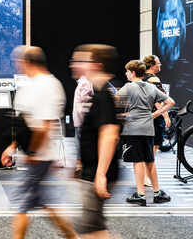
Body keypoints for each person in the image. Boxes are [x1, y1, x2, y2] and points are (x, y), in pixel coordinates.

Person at [1, 47, 77, 239]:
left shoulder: (47, 85)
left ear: (27, 62)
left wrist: (33, 153)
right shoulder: (33, 84)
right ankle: (73, 237)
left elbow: (44, 126)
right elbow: (27, 122)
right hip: (36, 155)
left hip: (38, 157)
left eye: (18, 61)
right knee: (45, 201)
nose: (16, 65)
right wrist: (13, 146)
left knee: (20, 203)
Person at [74, 44, 121, 239]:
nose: (75, 65)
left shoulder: (102, 97)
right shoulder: (101, 93)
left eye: (81, 61)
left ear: (97, 65)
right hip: (93, 171)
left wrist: (100, 175)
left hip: (97, 173)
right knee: (93, 226)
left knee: (90, 228)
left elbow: (109, 134)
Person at [117, 60, 175, 206]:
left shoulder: (128, 87)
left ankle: (140, 195)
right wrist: (154, 115)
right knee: (150, 161)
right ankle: (157, 193)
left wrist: (122, 115)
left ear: (133, 73)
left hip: (133, 129)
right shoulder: (151, 87)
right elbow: (170, 102)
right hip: (148, 129)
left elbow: (114, 101)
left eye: (127, 71)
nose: (126, 74)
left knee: (137, 162)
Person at [141, 54, 170, 187]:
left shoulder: (143, 78)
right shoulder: (153, 79)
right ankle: (146, 176)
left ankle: (144, 175)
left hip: (145, 116)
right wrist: (166, 116)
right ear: (152, 66)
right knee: (153, 147)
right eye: (158, 63)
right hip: (154, 117)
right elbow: (158, 100)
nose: (160, 65)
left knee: (148, 147)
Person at [71, 52, 94, 179]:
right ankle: (80, 167)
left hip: (80, 119)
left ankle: (80, 167)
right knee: (81, 144)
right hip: (81, 119)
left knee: (80, 144)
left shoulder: (84, 82)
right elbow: (86, 100)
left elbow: (84, 100)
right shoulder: (85, 82)